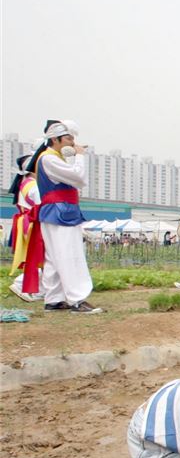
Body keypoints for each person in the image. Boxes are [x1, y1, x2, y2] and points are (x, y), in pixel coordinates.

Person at [26, 119, 102, 313]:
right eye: (68, 138)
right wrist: (80, 156)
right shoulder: (49, 159)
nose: (72, 142)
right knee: (70, 254)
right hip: (61, 212)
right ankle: (77, 299)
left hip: (56, 212)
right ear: (55, 139)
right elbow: (79, 178)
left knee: (54, 257)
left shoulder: (51, 158)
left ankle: (54, 299)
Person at [7, 155, 43, 301]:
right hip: (33, 223)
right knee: (40, 257)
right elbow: (41, 203)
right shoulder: (32, 185)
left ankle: (38, 290)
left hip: (29, 222)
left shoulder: (26, 182)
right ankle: (21, 283)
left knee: (40, 257)